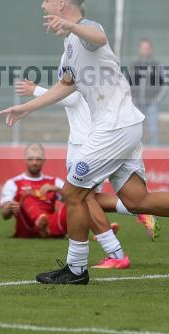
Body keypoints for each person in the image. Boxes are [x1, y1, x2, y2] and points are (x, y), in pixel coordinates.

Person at [0, 0, 169, 285]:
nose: (43, 5)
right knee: (136, 200)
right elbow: (67, 85)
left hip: (115, 126)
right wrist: (27, 107)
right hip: (124, 126)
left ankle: (76, 269)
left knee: (73, 193)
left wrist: (70, 26)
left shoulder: (87, 29)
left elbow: (97, 38)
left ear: (62, 4)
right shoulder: (69, 44)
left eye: (46, 0)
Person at [18, 77, 151, 269]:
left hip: (84, 145)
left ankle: (115, 252)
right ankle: (130, 217)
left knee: (82, 198)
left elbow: (70, 97)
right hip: (96, 140)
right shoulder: (93, 67)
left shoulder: (77, 60)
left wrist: (35, 91)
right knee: (88, 198)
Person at [0, 143, 68, 238]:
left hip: (49, 225)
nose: (34, 162)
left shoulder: (55, 182)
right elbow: (4, 215)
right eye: (30, 159)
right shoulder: (13, 183)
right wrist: (10, 208)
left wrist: (57, 189)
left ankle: (49, 228)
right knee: (26, 195)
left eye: (38, 159)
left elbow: (74, 202)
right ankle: (41, 222)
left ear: (44, 160)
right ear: (24, 160)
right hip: (28, 229)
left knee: (77, 203)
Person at [131, 38, 165, 146]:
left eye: (147, 48)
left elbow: (164, 85)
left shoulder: (157, 66)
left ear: (151, 50)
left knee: (153, 130)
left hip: (152, 105)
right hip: (137, 105)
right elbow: (127, 83)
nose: (145, 50)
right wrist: (131, 100)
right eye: (143, 48)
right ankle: (139, 155)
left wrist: (157, 99)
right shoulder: (134, 66)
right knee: (137, 132)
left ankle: (154, 154)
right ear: (139, 49)